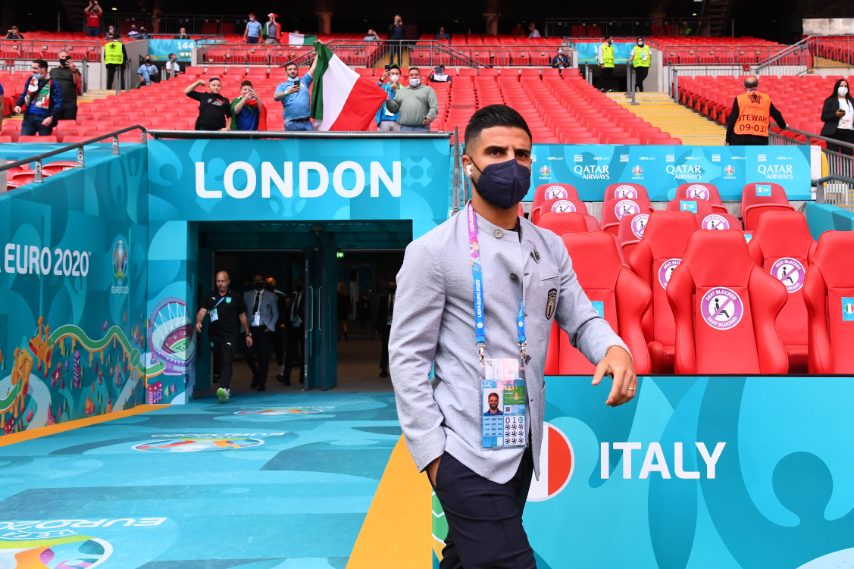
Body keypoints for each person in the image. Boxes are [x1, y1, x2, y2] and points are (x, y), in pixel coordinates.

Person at [389, 104, 636, 568]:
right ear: (469, 164)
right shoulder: (432, 252)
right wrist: (434, 456)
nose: (512, 163)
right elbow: (407, 359)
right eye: (497, 152)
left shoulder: (550, 246)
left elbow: (581, 318)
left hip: (521, 447)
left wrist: (613, 348)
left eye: (521, 154)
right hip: (464, 452)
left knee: (466, 559)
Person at [196, 271, 252, 402]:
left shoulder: (236, 297)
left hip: (230, 335)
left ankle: (224, 389)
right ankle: (225, 386)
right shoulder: (210, 296)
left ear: (228, 281)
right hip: (214, 335)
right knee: (220, 361)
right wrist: (198, 322)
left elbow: (242, 316)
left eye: (222, 281)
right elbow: (202, 311)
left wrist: (248, 334)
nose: (220, 284)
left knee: (227, 360)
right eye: (218, 281)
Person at [725, 75, 786, 146]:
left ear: (744, 87)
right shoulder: (766, 99)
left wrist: (727, 139)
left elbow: (732, 120)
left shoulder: (739, 99)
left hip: (740, 138)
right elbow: (777, 114)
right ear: (757, 86)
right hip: (760, 138)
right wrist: (783, 126)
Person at [243, 273, 278, 391]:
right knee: (248, 355)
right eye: (256, 280)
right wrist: (245, 328)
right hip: (250, 329)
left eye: (260, 280)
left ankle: (262, 383)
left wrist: (270, 326)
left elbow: (275, 313)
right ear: (253, 282)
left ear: (263, 282)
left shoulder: (271, 296)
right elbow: (242, 312)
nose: (258, 282)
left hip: (264, 329)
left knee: (264, 357)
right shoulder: (246, 295)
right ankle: (256, 375)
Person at [14, 60, 63, 137]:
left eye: (35, 68)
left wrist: (51, 117)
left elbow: (58, 103)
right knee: (24, 142)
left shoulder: (54, 83)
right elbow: (24, 94)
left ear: (43, 69)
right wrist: (18, 105)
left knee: (44, 143)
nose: (32, 70)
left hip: (44, 118)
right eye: (32, 68)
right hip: (29, 118)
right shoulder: (31, 80)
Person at [385, 67, 438, 132]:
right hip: (404, 129)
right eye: (411, 75)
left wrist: (429, 117)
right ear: (408, 77)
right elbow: (394, 109)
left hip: (422, 129)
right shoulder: (401, 91)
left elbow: (434, 107)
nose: (414, 76)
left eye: (416, 74)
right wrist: (388, 101)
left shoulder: (428, 90)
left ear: (420, 76)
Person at [273, 55, 319, 131]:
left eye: (294, 69)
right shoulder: (282, 86)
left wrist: (318, 52)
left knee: (311, 139)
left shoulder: (304, 81)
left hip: (307, 122)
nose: (292, 71)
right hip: (291, 123)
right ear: (286, 72)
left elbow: (314, 67)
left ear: (297, 71)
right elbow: (276, 97)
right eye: (290, 69)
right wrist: (287, 92)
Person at [281, 279, 306, 385]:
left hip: (303, 327)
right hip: (291, 326)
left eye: (300, 283)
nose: (298, 285)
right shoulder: (292, 295)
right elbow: (286, 309)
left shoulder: (307, 296)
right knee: (290, 352)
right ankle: (286, 377)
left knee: (304, 352)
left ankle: (303, 376)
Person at [820, 78, 854, 155]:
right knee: (833, 155)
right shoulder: (830, 100)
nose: (843, 88)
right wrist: (836, 115)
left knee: (848, 155)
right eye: (841, 86)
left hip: (849, 133)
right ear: (837, 87)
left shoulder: (852, 101)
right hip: (834, 132)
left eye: (845, 86)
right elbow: (824, 117)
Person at [265, 276, 288, 381]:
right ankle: (263, 372)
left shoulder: (280, 295)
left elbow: (284, 310)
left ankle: (281, 370)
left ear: (275, 283)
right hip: (265, 325)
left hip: (278, 325)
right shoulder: (262, 295)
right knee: (265, 348)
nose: (270, 284)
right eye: (268, 282)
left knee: (279, 348)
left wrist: (283, 322)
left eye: (272, 282)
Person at [50, 51, 82, 121]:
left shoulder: (75, 70)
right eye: (62, 57)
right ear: (58, 59)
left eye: (66, 57)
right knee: (55, 124)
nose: (64, 58)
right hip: (55, 102)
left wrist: (73, 70)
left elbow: (77, 82)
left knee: (69, 123)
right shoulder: (53, 71)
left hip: (69, 103)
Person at [376, 279, 395, 377]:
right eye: (390, 286)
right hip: (385, 327)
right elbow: (379, 314)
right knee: (384, 348)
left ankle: (396, 370)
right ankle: (383, 368)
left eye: (393, 286)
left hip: (396, 327)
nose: (391, 288)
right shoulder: (382, 299)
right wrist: (378, 328)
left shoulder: (400, 299)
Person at [375, 65, 402, 131]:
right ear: (389, 75)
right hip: (384, 121)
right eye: (392, 74)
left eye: (397, 74)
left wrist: (396, 90)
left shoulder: (403, 89)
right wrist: (382, 78)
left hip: (397, 121)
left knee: (398, 138)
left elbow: (404, 102)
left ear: (400, 76)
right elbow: (374, 91)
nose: (394, 75)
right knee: (383, 138)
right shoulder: (383, 87)